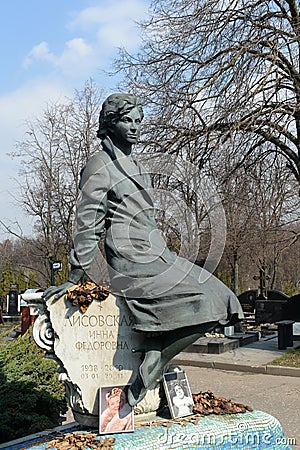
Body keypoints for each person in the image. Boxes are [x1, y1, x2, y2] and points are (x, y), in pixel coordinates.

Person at [43, 93, 244, 406]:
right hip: (131, 259)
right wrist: (76, 273)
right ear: (110, 123)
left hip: (156, 250)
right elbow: (88, 224)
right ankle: (155, 362)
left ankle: (156, 354)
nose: (135, 127)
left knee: (226, 300)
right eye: (127, 120)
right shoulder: (99, 166)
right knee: (211, 303)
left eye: (138, 120)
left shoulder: (134, 163)